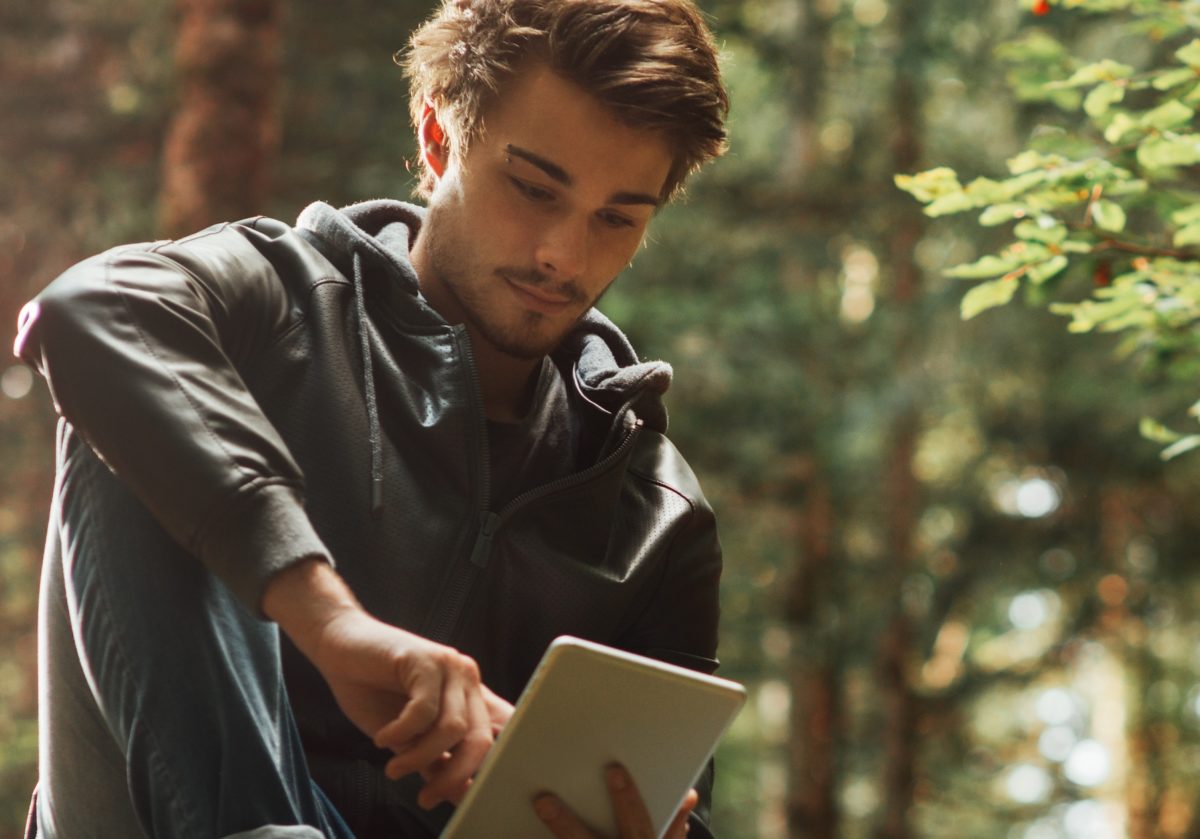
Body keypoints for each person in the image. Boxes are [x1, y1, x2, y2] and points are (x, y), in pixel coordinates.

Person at [15, 0, 730, 836]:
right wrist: (332, 624)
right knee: (135, 408)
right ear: (436, 138)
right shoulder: (274, 302)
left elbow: (674, 806)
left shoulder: (656, 512)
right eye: (534, 188)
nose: (563, 255)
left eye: (617, 218)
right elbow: (88, 309)